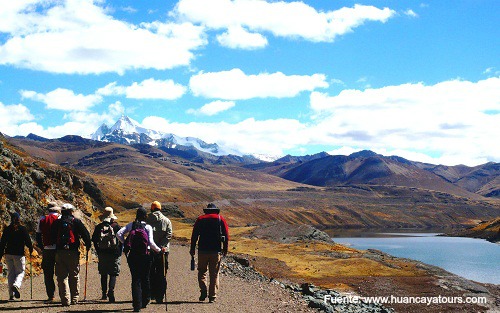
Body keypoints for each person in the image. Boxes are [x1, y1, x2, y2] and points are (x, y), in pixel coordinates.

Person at [117, 207, 165, 312]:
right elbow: (151, 243)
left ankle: (136, 305)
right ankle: (145, 300)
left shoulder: (131, 225)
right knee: (145, 277)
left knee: (135, 279)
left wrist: (125, 244)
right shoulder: (147, 227)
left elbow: (119, 234)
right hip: (145, 255)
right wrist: (159, 250)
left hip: (133, 255)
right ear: (145, 216)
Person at [51, 203, 91, 306]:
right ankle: (74, 298)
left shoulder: (57, 222)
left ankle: (65, 299)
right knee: (74, 275)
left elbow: (52, 236)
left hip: (60, 251)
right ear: (71, 211)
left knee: (62, 276)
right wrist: (88, 245)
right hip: (73, 251)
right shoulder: (76, 222)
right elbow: (85, 234)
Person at [190, 203, 229, 303]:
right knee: (214, 274)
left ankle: (203, 290)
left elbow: (194, 235)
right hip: (215, 251)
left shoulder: (200, 219)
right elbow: (226, 236)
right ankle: (212, 296)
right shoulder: (220, 219)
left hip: (202, 250)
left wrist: (192, 249)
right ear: (216, 210)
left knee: (202, 271)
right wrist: (225, 249)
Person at [0, 212, 33, 300]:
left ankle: (11, 295)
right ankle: (16, 285)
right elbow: (28, 241)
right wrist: (30, 248)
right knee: (20, 272)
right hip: (19, 254)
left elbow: (2, 243)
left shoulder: (7, 229)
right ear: (19, 219)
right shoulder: (22, 229)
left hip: (8, 254)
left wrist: (0, 254)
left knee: (11, 273)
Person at [92, 207, 121, 303]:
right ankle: (111, 291)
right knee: (113, 273)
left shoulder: (99, 227)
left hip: (102, 253)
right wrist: (119, 252)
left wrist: (98, 251)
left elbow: (94, 240)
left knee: (103, 274)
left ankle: (104, 294)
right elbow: (121, 241)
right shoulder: (116, 227)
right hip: (114, 253)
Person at [146, 201, 172, 304]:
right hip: (163, 251)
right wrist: (161, 246)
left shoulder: (147, 220)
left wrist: (152, 246)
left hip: (150, 250)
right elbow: (169, 234)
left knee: (150, 272)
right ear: (160, 209)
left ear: (151, 209)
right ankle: (160, 296)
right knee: (162, 273)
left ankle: (151, 294)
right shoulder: (166, 220)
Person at [35, 202, 61, 303]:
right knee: (61, 273)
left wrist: (42, 247)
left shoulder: (42, 219)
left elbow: (38, 235)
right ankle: (64, 294)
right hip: (59, 249)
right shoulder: (60, 218)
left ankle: (51, 295)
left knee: (48, 273)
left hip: (47, 249)